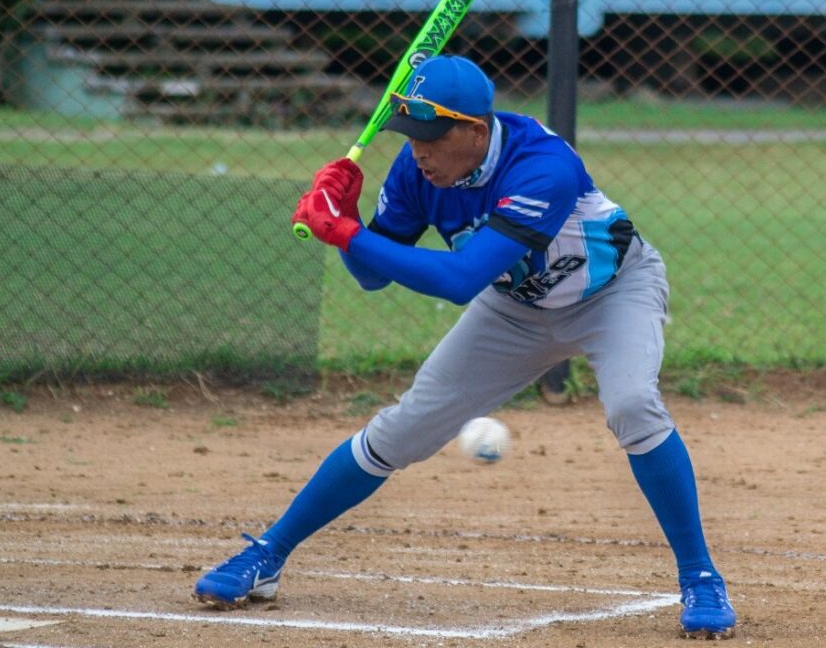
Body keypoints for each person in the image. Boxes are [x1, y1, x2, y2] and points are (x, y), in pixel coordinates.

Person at [193, 55, 737, 639]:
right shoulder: (415, 173)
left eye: (431, 138)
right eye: (411, 137)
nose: (418, 152)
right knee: (402, 431)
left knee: (631, 404)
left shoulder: (542, 165)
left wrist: (346, 233)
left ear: (475, 132)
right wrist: (349, 224)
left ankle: (700, 577)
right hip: (515, 310)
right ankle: (267, 555)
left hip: (612, 295)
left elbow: (458, 281)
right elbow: (373, 277)